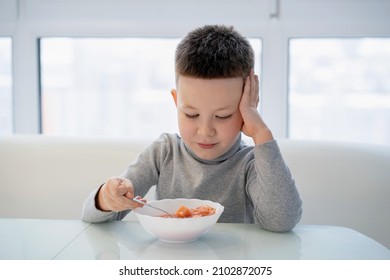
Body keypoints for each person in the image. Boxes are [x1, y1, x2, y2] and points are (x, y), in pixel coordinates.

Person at [81, 24, 302, 232]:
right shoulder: (164, 152)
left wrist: (262, 133)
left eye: (223, 116)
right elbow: (92, 215)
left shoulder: (252, 163)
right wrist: (107, 198)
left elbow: (281, 222)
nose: (205, 131)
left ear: (247, 108)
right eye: (191, 114)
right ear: (176, 102)